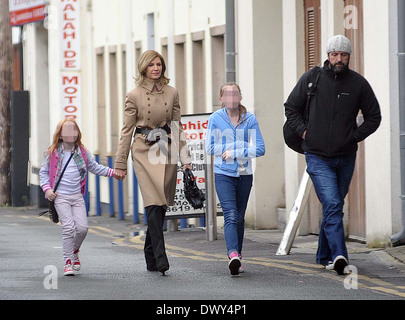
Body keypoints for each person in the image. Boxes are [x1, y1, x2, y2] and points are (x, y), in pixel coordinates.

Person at [284, 35, 381, 275]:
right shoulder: (312, 78)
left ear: (349, 56)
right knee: (333, 203)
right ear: (327, 55)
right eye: (335, 54)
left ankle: (324, 254)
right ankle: (340, 256)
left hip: (346, 155)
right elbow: (291, 108)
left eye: (343, 55)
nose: (339, 59)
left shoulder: (358, 84)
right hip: (317, 155)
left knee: (333, 205)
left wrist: (354, 136)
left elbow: (374, 117)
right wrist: (304, 132)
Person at [114, 50, 192, 275]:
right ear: (144, 68)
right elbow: (127, 130)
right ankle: (161, 256)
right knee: (152, 201)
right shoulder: (134, 95)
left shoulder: (172, 92)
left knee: (161, 204)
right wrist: (120, 163)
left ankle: (149, 254)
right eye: (151, 65)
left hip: (165, 148)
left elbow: (177, 127)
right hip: (142, 148)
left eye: (159, 64)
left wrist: (185, 159)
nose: (156, 68)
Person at [40, 119, 118, 276]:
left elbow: (94, 167)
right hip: (60, 196)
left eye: (74, 130)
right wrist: (47, 190)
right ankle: (68, 262)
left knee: (82, 229)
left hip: (77, 196)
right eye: (67, 131)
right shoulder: (53, 152)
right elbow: (43, 173)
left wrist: (113, 172)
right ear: (60, 135)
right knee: (68, 227)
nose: (71, 133)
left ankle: (74, 250)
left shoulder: (81, 152)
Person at [205, 83, 265, 275]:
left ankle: (238, 255)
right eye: (227, 95)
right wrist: (226, 152)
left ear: (240, 97)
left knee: (239, 216)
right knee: (230, 214)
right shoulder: (215, 119)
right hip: (223, 174)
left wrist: (236, 151)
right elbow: (209, 147)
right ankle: (232, 255)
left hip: (244, 174)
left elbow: (260, 148)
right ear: (221, 99)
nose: (231, 98)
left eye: (235, 94)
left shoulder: (250, 119)